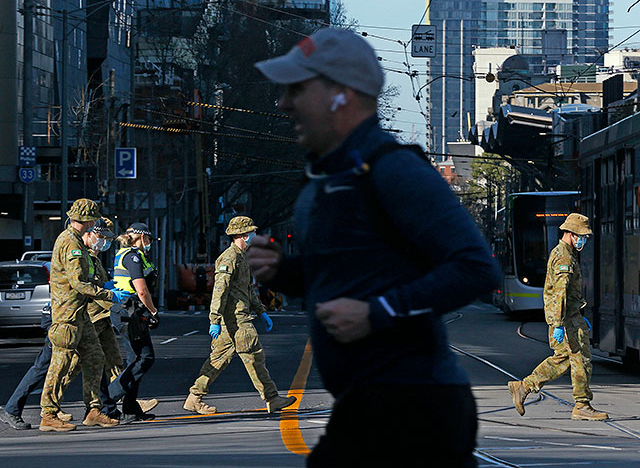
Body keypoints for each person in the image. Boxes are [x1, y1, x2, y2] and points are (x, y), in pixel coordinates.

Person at [250, 28, 500, 466]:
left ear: (340, 96)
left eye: (297, 88)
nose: (283, 103)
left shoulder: (392, 169)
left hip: (415, 410)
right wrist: (284, 271)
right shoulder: (327, 178)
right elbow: (355, 270)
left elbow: (477, 269)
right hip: (370, 402)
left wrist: (378, 312)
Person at [183, 216, 296, 415]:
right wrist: (214, 319)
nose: (254, 235)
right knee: (254, 355)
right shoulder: (230, 258)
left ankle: (194, 397)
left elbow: (248, 290)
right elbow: (220, 290)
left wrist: (261, 311)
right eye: (251, 233)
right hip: (235, 318)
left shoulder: (242, 257)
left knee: (218, 360)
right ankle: (271, 397)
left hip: (234, 319)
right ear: (242, 235)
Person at [39, 199, 131, 432]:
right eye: (93, 220)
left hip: (80, 314)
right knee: (59, 364)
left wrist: (105, 288)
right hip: (67, 315)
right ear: (88, 220)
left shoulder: (76, 241)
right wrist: (109, 295)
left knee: (95, 357)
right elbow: (78, 282)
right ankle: (48, 414)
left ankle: (93, 410)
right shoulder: (71, 243)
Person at [508, 213, 608, 421]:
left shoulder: (565, 253)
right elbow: (560, 291)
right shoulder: (563, 256)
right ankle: (581, 405)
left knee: (563, 359)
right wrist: (558, 323)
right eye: (582, 236)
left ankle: (524, 387)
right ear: (571, 234)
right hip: (566, 318)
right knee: (581, 360)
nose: (584, 240)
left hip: (570, 315)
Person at [107, 223, 160, 423]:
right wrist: (153, 311)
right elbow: (142, 290)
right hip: (128, 312)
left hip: (131, 312)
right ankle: (107, 401)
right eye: (149, 239)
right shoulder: (133, 257)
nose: (150, 243)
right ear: (141, 237)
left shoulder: (131, 254)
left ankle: (129, 409)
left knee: (135, 359)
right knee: (144, 358)